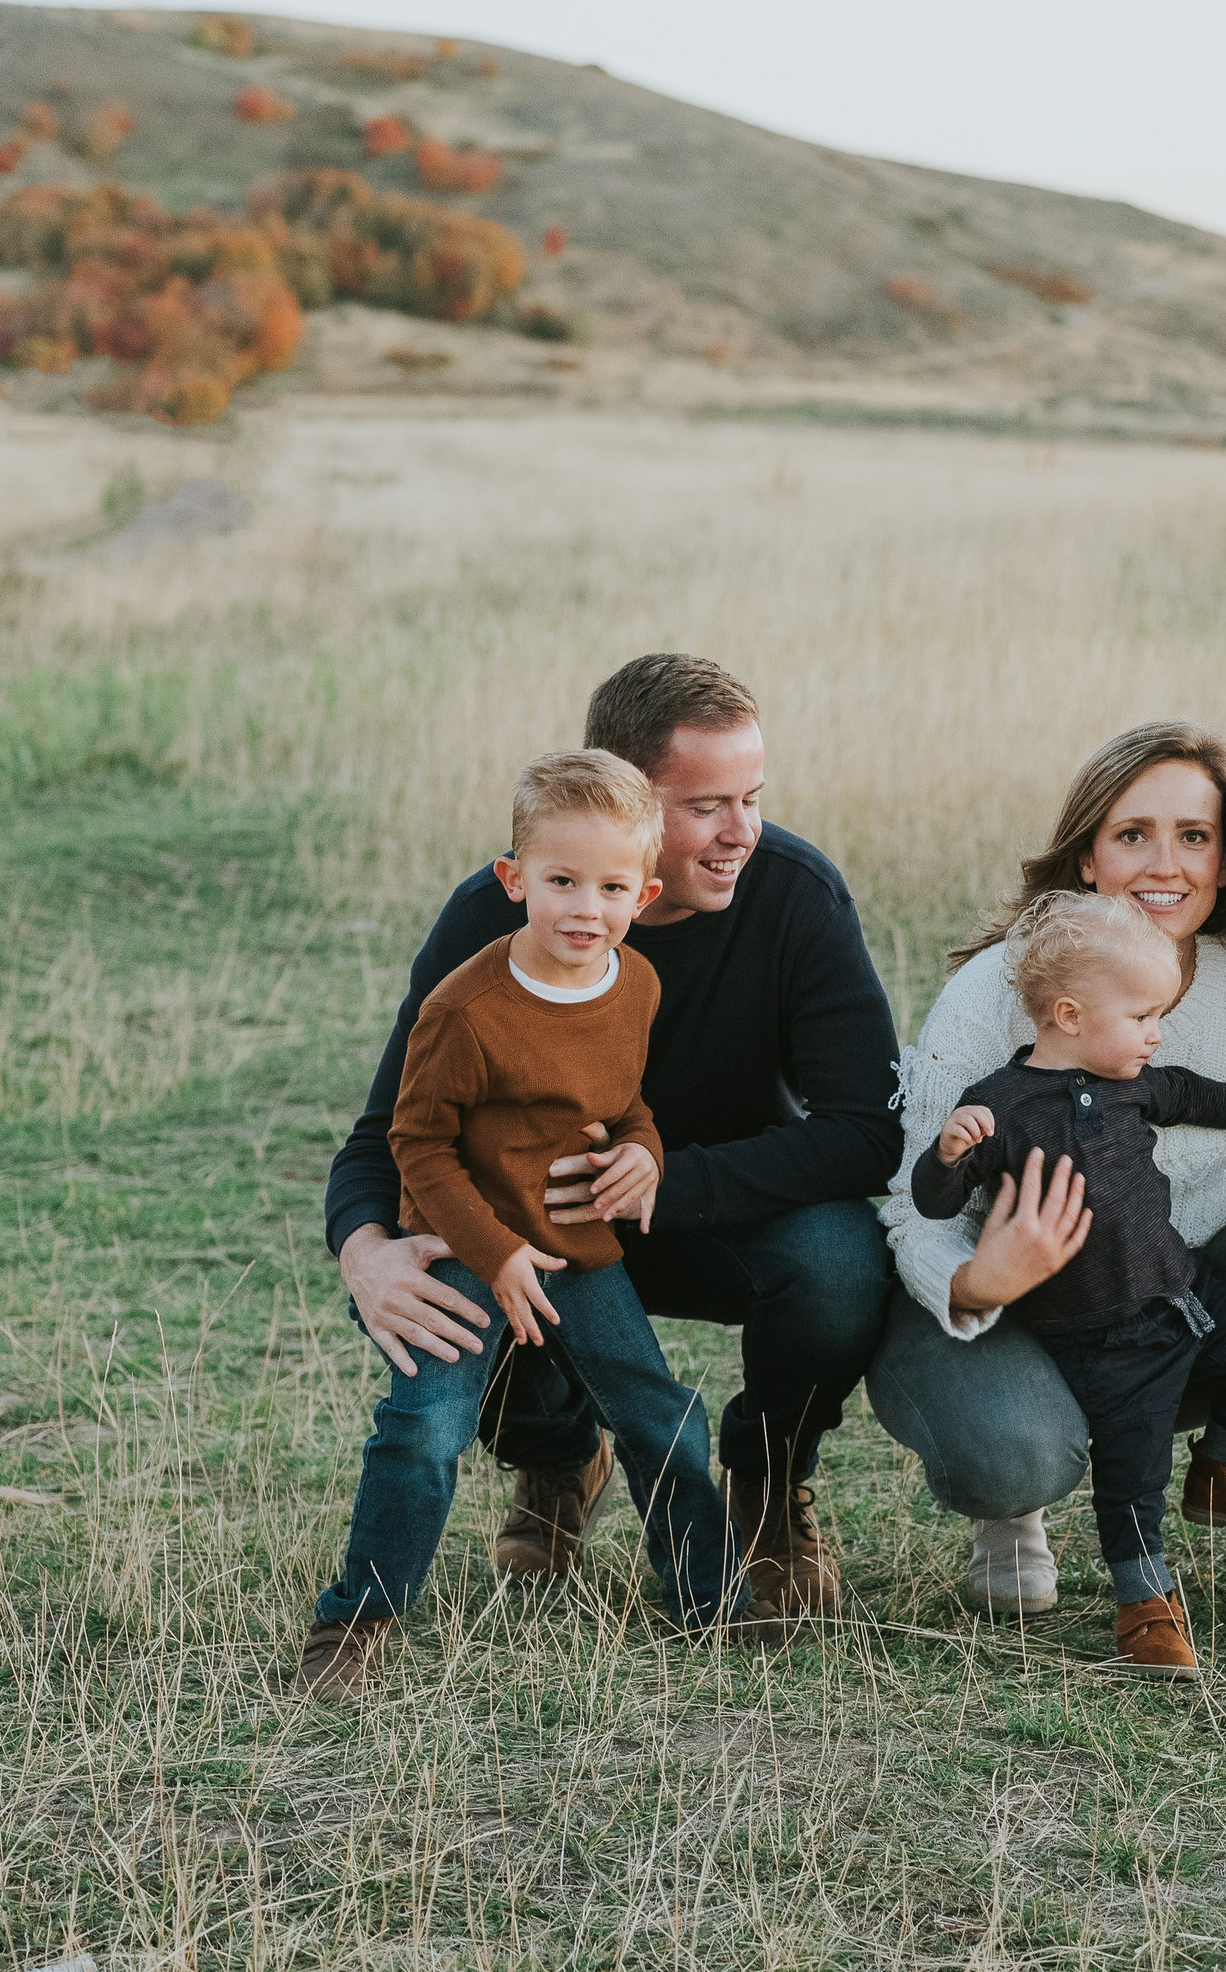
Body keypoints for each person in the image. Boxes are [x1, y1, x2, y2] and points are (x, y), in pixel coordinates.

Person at [324, 654, 901, 1619]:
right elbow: (387, 1134)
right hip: (529, 1234)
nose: (741, 833)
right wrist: (363, 1250)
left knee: (842, 1260)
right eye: (706, 805)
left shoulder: (795, 894)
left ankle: (765, 1482)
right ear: (627, 794)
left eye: (753, 796)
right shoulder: (498, 915)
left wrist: (663, 1180)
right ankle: (557, 1457)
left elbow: (869, 1133)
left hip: (714, 1213)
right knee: (439, 1280)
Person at [871, 722, 1226, 1641]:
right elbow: (914, 1199)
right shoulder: (1002, 988)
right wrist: (977, 1280)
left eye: (1194, 835)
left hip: (1183, 1292)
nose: (1164, 863)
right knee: (1015, 1452)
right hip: (1030, 1303)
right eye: (1131, 833)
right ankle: (1012, 1512)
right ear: (1089, 857)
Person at [301, 752, 782, 1693]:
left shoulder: (634, 984)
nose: (583, 908)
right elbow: (417, 1145)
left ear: (643, 894)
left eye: (609, 887)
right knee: (423, 1430)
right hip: (462, 1243)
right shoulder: (467, 1010)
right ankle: (355, 1624)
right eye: (560, 881)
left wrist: (643, 1149)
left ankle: (710, 1599)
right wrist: (494, 1253)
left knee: (660, 1414)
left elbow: (623, 1101)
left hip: (579, 1247)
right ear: (514, 880)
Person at [910, 891, 1226, 1674]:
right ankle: (1144, 1603)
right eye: (1142, 1015)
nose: (1156, 1031)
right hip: (1102, 1333)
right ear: (1068, 1014)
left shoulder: (1131, 1082)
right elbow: (933, 1201)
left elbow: (1196, 1092)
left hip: (1182, 1289)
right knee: (1132, 1477)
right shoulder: (998, 1107)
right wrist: (946, 1154)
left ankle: (1225, 1467)